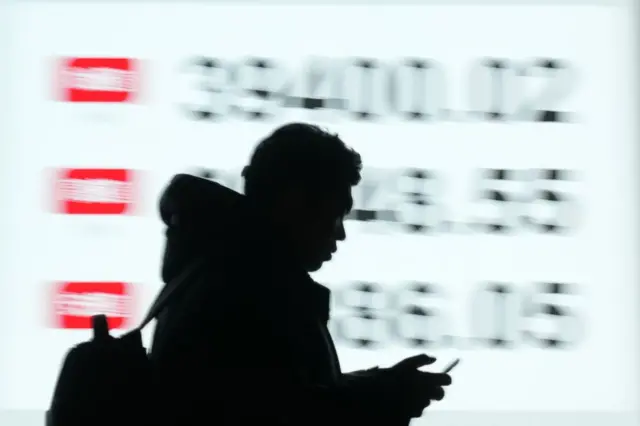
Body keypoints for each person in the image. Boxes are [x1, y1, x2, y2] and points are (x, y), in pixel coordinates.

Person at [149, 123, 452, 426]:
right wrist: (388, 397)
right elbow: (286, 413)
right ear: (296, 201)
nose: (341, 233)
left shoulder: (221, 271)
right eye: (336, 215)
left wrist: (383, 386)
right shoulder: (253, 291)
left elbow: (280, 395)